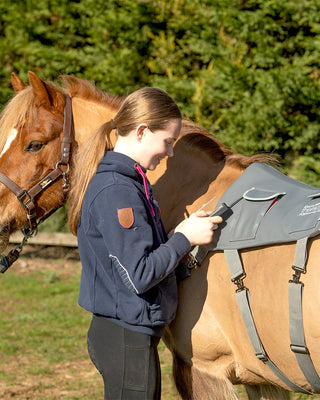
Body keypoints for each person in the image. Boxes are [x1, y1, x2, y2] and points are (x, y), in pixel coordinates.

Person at [68, 87, 222, 400]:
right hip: (126, 338)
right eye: (167, 141)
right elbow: (139, 275)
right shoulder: (118, 191)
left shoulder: (131, 181)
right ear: (142, 131)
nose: (170, 153)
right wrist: (184, 237)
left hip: (129, 334)